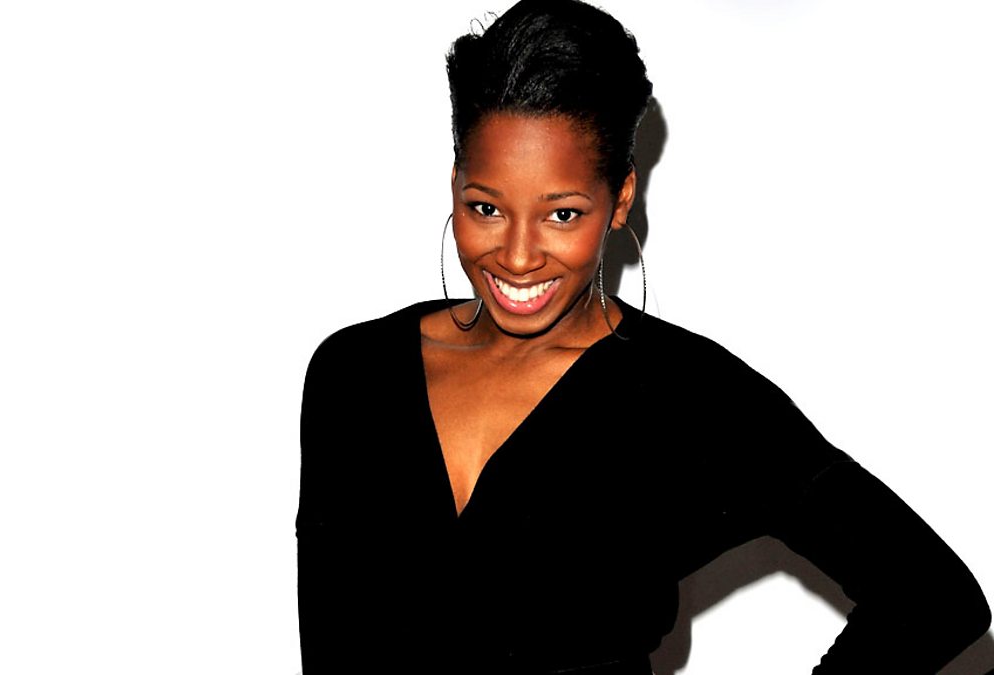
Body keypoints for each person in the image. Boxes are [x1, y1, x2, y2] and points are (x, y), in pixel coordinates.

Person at [295, 0, 991, 672]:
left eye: (562, 214)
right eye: (486, 207)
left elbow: (931, 598)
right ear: (455, 185)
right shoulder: (354, 373)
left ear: (620, 199)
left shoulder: (690, 397)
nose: (517, 255)